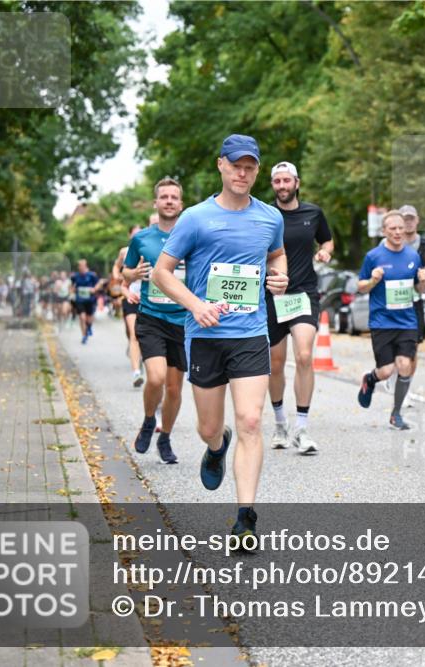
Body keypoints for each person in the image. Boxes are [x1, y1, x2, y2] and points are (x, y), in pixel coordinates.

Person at [152, 134, 287, 543]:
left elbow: (276, 255)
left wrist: (280, 277)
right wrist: (195, 305)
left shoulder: (269, 218)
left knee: (250, 420)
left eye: (250, 166)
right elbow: (161, 272)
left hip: (250, 333)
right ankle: (216, 447)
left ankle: (246, 517)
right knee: (210, 427)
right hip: (206, 336)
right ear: (221, 166)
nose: (243, 172)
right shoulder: (195, 218)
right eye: (236, 165)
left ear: (257, 171)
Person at [265, 161, 334, 454]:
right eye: (277, 181)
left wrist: (325, 251)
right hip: (272, 294)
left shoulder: (313, 213)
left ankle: (301, 428)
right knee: (275, 363)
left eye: (286, 180)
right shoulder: (265, 215)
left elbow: (328, 240)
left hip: (304, 293)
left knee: (305, 355)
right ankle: (280, 423)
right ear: (273, 186)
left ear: (297, 182)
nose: (282, 186)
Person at [122, 178, 186, 465]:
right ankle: (149, 420)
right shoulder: (141, 238)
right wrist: (132, 276)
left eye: (174, 197)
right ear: (156, 203)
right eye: (164, 197)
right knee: (157, 378)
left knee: (174, 389)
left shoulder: (191, 236)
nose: (169, 201)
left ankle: (165, 437)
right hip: (151, 317)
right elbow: (125, 271)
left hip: (182, 321)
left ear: (181, 204)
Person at [355, 210, 425, 430]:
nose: (398, 232)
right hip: (382, 321)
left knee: (404, 365)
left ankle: (396, 414)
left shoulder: (413, 257)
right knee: (386, 370)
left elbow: (419, 289)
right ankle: (370, 379)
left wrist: (423, 282)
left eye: (400, 228)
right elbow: (360, 287)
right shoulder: (374, 256)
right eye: (392, 229)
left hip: (407, 321)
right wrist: (373, 280)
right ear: (384, 231)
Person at [382, 204, 425, 402]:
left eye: (411, 218)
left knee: (412, 348)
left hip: (413, 301)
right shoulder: (386, 243)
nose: (407, 222)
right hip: (391, 300)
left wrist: (424, 275)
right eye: (404, 218)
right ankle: (393, 374)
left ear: (417, 220)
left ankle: (404, 389)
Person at [113, 225, 145, 387]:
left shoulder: (150, 250)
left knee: (139, 334)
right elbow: (117, 267)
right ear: (130, 235)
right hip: (131, 298)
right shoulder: (125, 252)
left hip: (147, 300)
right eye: (134, 234)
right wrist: (117, 277)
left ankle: (138, 354)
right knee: (133, 334)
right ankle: (136, 373)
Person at [69, 259, 99, 344]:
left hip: (90, 300)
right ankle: (84, 336)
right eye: (79, 266)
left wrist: (94, 289)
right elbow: (71, 286)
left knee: (89, 319)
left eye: (81, 265)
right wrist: (72, 290)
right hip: (80, 300)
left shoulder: (92, 275)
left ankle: (89, 327)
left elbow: (98, 284)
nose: (80, 267)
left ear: (85, 266)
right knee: (82, 318)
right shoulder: (75, 276)